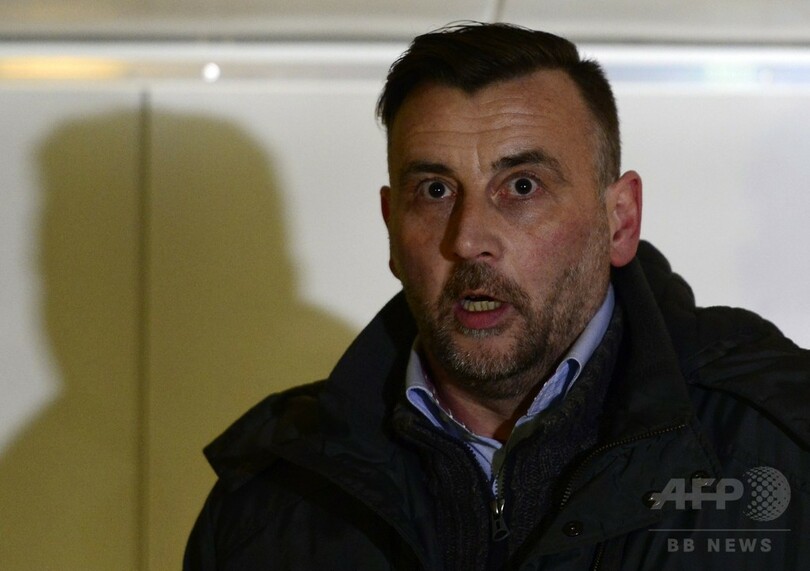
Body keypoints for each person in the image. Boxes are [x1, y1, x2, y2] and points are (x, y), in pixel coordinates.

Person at [184, 23, 809, 570]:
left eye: (522, 186)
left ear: (619, 221)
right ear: (392, 230)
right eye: (434, 191)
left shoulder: (782, 444)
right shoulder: (272, 501)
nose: (468, 239)